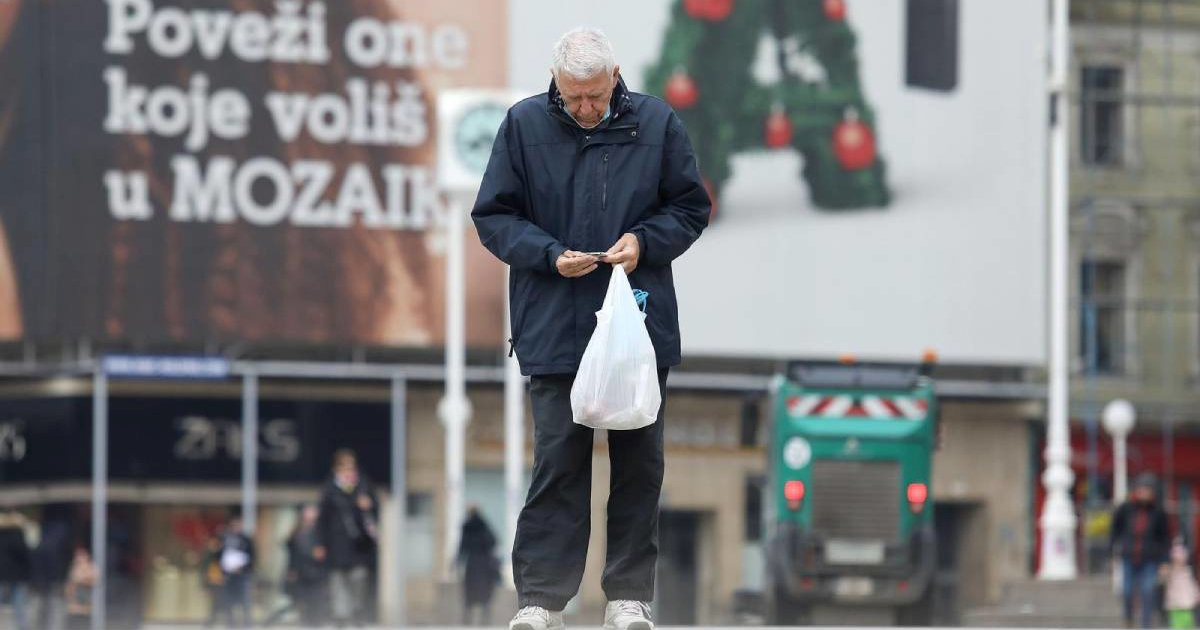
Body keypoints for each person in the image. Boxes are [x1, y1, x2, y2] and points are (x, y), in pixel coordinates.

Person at [471, 26, 709, 630]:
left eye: (596, 96)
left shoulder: (657, 123)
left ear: (616, 77)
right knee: (558, 462)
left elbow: (690, 207)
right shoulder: (523, 125)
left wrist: (644, 242)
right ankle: (540, 601)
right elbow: (494, 216)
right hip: (553, 324)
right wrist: (549, 255)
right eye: (574, 96)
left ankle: (628, 599)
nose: (585, 108)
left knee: (639, 464)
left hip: (638, 327)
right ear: (555, 81)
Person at [316, 449, 379, 627]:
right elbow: (322, 520)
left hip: (359, 545)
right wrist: (320, 543)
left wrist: (369, 505)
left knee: (359, 578)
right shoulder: (329, 489)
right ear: (337, 468)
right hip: (337, 545)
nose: (348, 471)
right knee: (338, 581)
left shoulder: (364, 486)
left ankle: (357, 611)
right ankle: (341, 617)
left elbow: (376, 511)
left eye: (351, 466)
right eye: (343, 467)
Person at [1112, 473, 1172, 629]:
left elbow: (1165, 538)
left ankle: (1146, 625)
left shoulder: (1158, 512)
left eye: (1148, 489)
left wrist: (1165, 561)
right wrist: (1112, 552)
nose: (1144, 492)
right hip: (1128, 556)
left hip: (1150, 559)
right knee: (1127, 591)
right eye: (1142, 489)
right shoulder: (1125, 508)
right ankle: (1128, 618)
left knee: (1147, 591)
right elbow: (1115, 531)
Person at [265, 504, 327, 627]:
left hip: (316, 574)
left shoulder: (320, 533)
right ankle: (272, 621)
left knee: (314, 602)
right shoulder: (297, 533)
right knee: (297, 602)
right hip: (300, 574)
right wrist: (292, 570)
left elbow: (322, 553)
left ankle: (314, 624)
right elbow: (293, 553)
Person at [458, 507, 500, 626]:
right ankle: (485, 621)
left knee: (469, 594)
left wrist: (457, 562)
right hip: (485, 564)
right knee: (485, 593)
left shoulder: (467, 527)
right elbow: (494, 541)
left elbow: (462, 547)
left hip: (472, 564)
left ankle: (467, 621)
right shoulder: (484, 525)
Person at [212, 513, 255, 629]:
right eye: (233, 525)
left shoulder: (246, 540)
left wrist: (243, 568)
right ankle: (231, 626)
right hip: (228, 577)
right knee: (228, 603)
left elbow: (252, 558)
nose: (236, 527)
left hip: (242, 577)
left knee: (245, 603)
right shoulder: (224, 539)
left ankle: (247, 626)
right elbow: (217, 557)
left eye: (238, 524)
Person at [30, 513, 72, 630]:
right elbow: (66, 557)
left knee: (40, 606)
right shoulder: (62, 534)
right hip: (55, 576)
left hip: (42, 576)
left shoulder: (40, 534)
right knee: (55, 606)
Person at [0, 508, 31, 630]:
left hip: (2, 573)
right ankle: (22, 627)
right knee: (19, 605)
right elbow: (23, 553)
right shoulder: (17, 534)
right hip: (17, 574)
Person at [1164, 537, 1199, 629]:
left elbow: (1193, 585)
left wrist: (1196, 595)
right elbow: (1163, 580)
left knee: (1187, 623)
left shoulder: (1187, 571)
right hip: (1175, 604)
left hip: (1186, 604)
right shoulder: (1170, 571)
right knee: (1177, 624)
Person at [63, 547, 95, 630]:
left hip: (87, 605)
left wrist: (80, 580)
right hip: (75, 607)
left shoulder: (91, 568)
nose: (79, 558)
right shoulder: (73, 569)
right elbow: (68, 588)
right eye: (77, 556)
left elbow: (92, 581)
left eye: (81, 556)